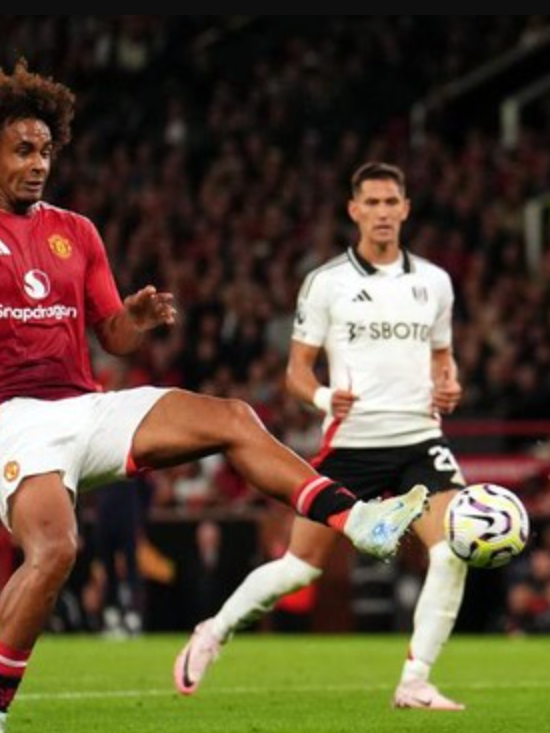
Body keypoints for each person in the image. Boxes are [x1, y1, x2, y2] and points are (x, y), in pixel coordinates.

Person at [0, 63, 428, 733]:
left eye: (47, 149)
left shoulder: (75, 231)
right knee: (54, 550)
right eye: (23, 149)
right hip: (4, 415)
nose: (39, 162)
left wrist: (134, 318)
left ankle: (359, 521)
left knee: (231, 416)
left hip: (85, 404)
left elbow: (112, 337)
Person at [175, 162, 470, 710]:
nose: (382, 213)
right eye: (372, 203)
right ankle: (214, 630)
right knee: (300, 567)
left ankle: (415, 680)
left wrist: (449, 384)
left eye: (391, 203)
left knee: (452, 551)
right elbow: (295, 372)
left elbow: (443, 359)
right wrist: (319, 398)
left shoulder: (435, 282)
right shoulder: (327, 283)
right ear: (354, 209)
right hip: (352, 442)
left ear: (406, 208)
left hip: (419, 439)